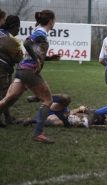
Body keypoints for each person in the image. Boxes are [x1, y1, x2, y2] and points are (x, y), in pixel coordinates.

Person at [0, 10, 62, 144]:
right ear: (51, 21)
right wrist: (38, 61)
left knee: (8, 100)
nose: (54, 23)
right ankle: (38, 133)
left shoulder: (40, 31)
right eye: (54, 20)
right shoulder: (41, 32)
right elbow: (27, 43)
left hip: (21, 70)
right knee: (47, 100)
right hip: (29, 72)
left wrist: (49, 58)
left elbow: (32, 51)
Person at [16, 94, 106, 128]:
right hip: (59, 110)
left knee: (59, 124)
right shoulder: (87, 112)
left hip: (55, 117)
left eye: (98, 121)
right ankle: (40, 97)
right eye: (97, 117)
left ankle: (32, 120)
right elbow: (67, 114)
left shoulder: (88, 123)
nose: (95, 120)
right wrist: (80, 109)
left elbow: (66, 117)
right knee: (66, 98)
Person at [0, 15, 23, 127]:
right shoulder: (12, 40)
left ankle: (8, 118)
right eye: (18, 27)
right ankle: (4, 118)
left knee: (3, 95)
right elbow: (19, 59)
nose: (19, 29)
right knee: (5, 95)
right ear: (14, 26)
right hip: (3, 71)